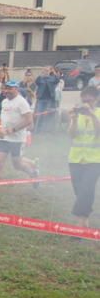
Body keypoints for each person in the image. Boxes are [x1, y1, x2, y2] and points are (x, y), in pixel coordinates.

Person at [0, 81, 39, 200]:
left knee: (17, 165)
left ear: (16, 89)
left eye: (9, 89)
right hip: (4, 138)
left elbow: (29, 121)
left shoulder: (21, 102)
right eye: (5, 89)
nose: (6, 91)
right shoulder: (4, 102)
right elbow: (5, 119)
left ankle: (33, 173)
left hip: (17, 139)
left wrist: (12, 130)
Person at [67, 85, 100, 227]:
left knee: (87, 189)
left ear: (96, 99)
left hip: (94, 159)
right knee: (79, 191)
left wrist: (92, 115)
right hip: (75, 158)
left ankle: (78, 224)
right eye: (84, 99)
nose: (86, 103)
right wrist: (74, 119)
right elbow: (72, 135)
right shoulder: (77, 114)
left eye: (90, 100)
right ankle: (85, 221)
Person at [34, 66, 60, 134]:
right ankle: (38, 130)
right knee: (40, 115)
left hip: (49, 100)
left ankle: (46, 130)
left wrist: (53, 72)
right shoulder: (40, 79)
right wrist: (41, 74)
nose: (46, 72)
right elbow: (36, 82)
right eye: (45, 70)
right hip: (41, 99)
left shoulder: (52, 78)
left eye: (47, 70)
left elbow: (57, 80)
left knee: (48, 115)